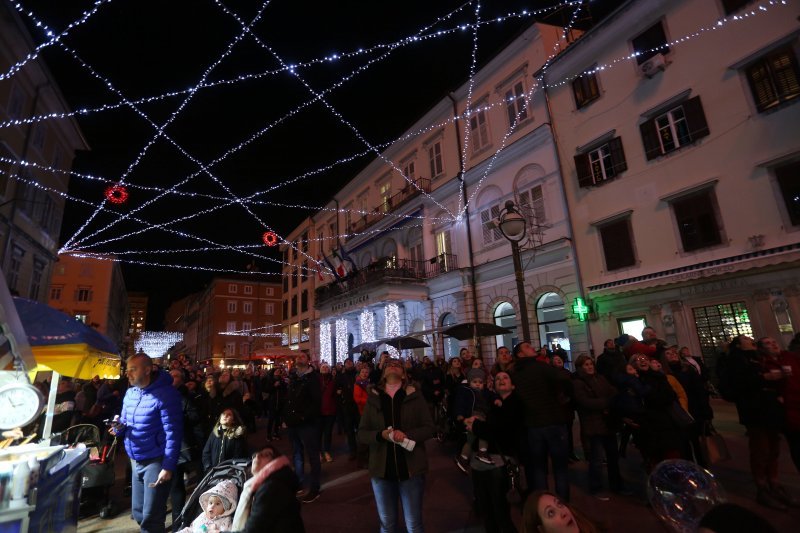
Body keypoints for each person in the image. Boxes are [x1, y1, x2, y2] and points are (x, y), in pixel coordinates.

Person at [358, 358, 435, 532]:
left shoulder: (415, 395)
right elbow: (362, 433)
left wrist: (408, 434)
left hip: (410, 468)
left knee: (413, 523)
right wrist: (380, 435)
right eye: (388, 365)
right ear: (383, 373)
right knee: (387, 523)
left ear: (404, 373)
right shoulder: (374, 398)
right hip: (381, 470)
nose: (392, 366)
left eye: (397, 365)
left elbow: (429, 428)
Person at [112, 353, 183, 533]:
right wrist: (118, 427)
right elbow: (125, 421)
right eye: (127, 370)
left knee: (152, 517)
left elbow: (173, 433)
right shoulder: (130, 393)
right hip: (135, 459)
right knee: (138, 513)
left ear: (148, 369)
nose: (128, 374)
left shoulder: (167, 394)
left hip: (156, 461)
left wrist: (167, 466)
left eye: (133, 369)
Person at [511, 341, 572, 502]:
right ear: (520, 354)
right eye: (527, 347)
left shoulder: (515, 373)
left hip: (533, 424)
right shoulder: (541, 367)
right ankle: (563, 504)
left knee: (539, 468)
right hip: (552, 420)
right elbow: (564, 378)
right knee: (560, 468)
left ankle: (544, 505)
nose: (532, 347)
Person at [467, 371, 522, 533]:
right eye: (498, 379)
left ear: (513, 385)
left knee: (500, 510)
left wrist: (476, 426)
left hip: (501, 461)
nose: (501, 380)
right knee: (487, 509)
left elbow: (501, 430)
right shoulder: (492, 404)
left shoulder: (515, 403)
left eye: (505, 377)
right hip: (483, 462)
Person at [572, 355, 626, 500]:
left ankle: (616, 485)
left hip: (606, 423)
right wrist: (606, 402)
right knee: (596, 459)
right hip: (593, 424)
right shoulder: (578, 383)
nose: (589, 367)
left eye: (590, 364)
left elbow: (612, 391)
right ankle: (596, 488)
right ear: (580, 367)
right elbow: (584, 402)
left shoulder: (600, 378)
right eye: (586, 365)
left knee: (612, 456)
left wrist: (608, 401)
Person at [228, 445, 305, 532]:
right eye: (255, 455)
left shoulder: (272, 488)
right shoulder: (257, 486)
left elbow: (253, 530)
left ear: (275, 462)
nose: (258, 456)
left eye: (266, 454)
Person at [284, 352, 322, 503]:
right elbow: (289, 400)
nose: (299, 358)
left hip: (307, 423)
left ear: (308, 361)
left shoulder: (313, 378)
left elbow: (316, 402)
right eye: (298, 357)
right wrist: (286, 417)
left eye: (303, 357)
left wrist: (303, 417)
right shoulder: (294, 377)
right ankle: (299, 482)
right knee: (297, 454)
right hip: (293, 423)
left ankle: (315, 488)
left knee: (312, 455)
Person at [454, 368, 495, 472]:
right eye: (475, 382)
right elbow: (460, 403)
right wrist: (460, 414)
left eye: (480, 382)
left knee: (470, 440)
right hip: (474, 415)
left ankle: (463, 458)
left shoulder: (485, 392)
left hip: (482, 416)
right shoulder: (466, 391)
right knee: (483, 432)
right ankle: (482, 452)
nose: (478, 384)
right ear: (469, 382)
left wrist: (497, 399)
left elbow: (492, 396)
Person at [522, 491, 606, 533]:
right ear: (542, 530)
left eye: (559, 504)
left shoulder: (588, 527)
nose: (563, 512)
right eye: (551, 513)